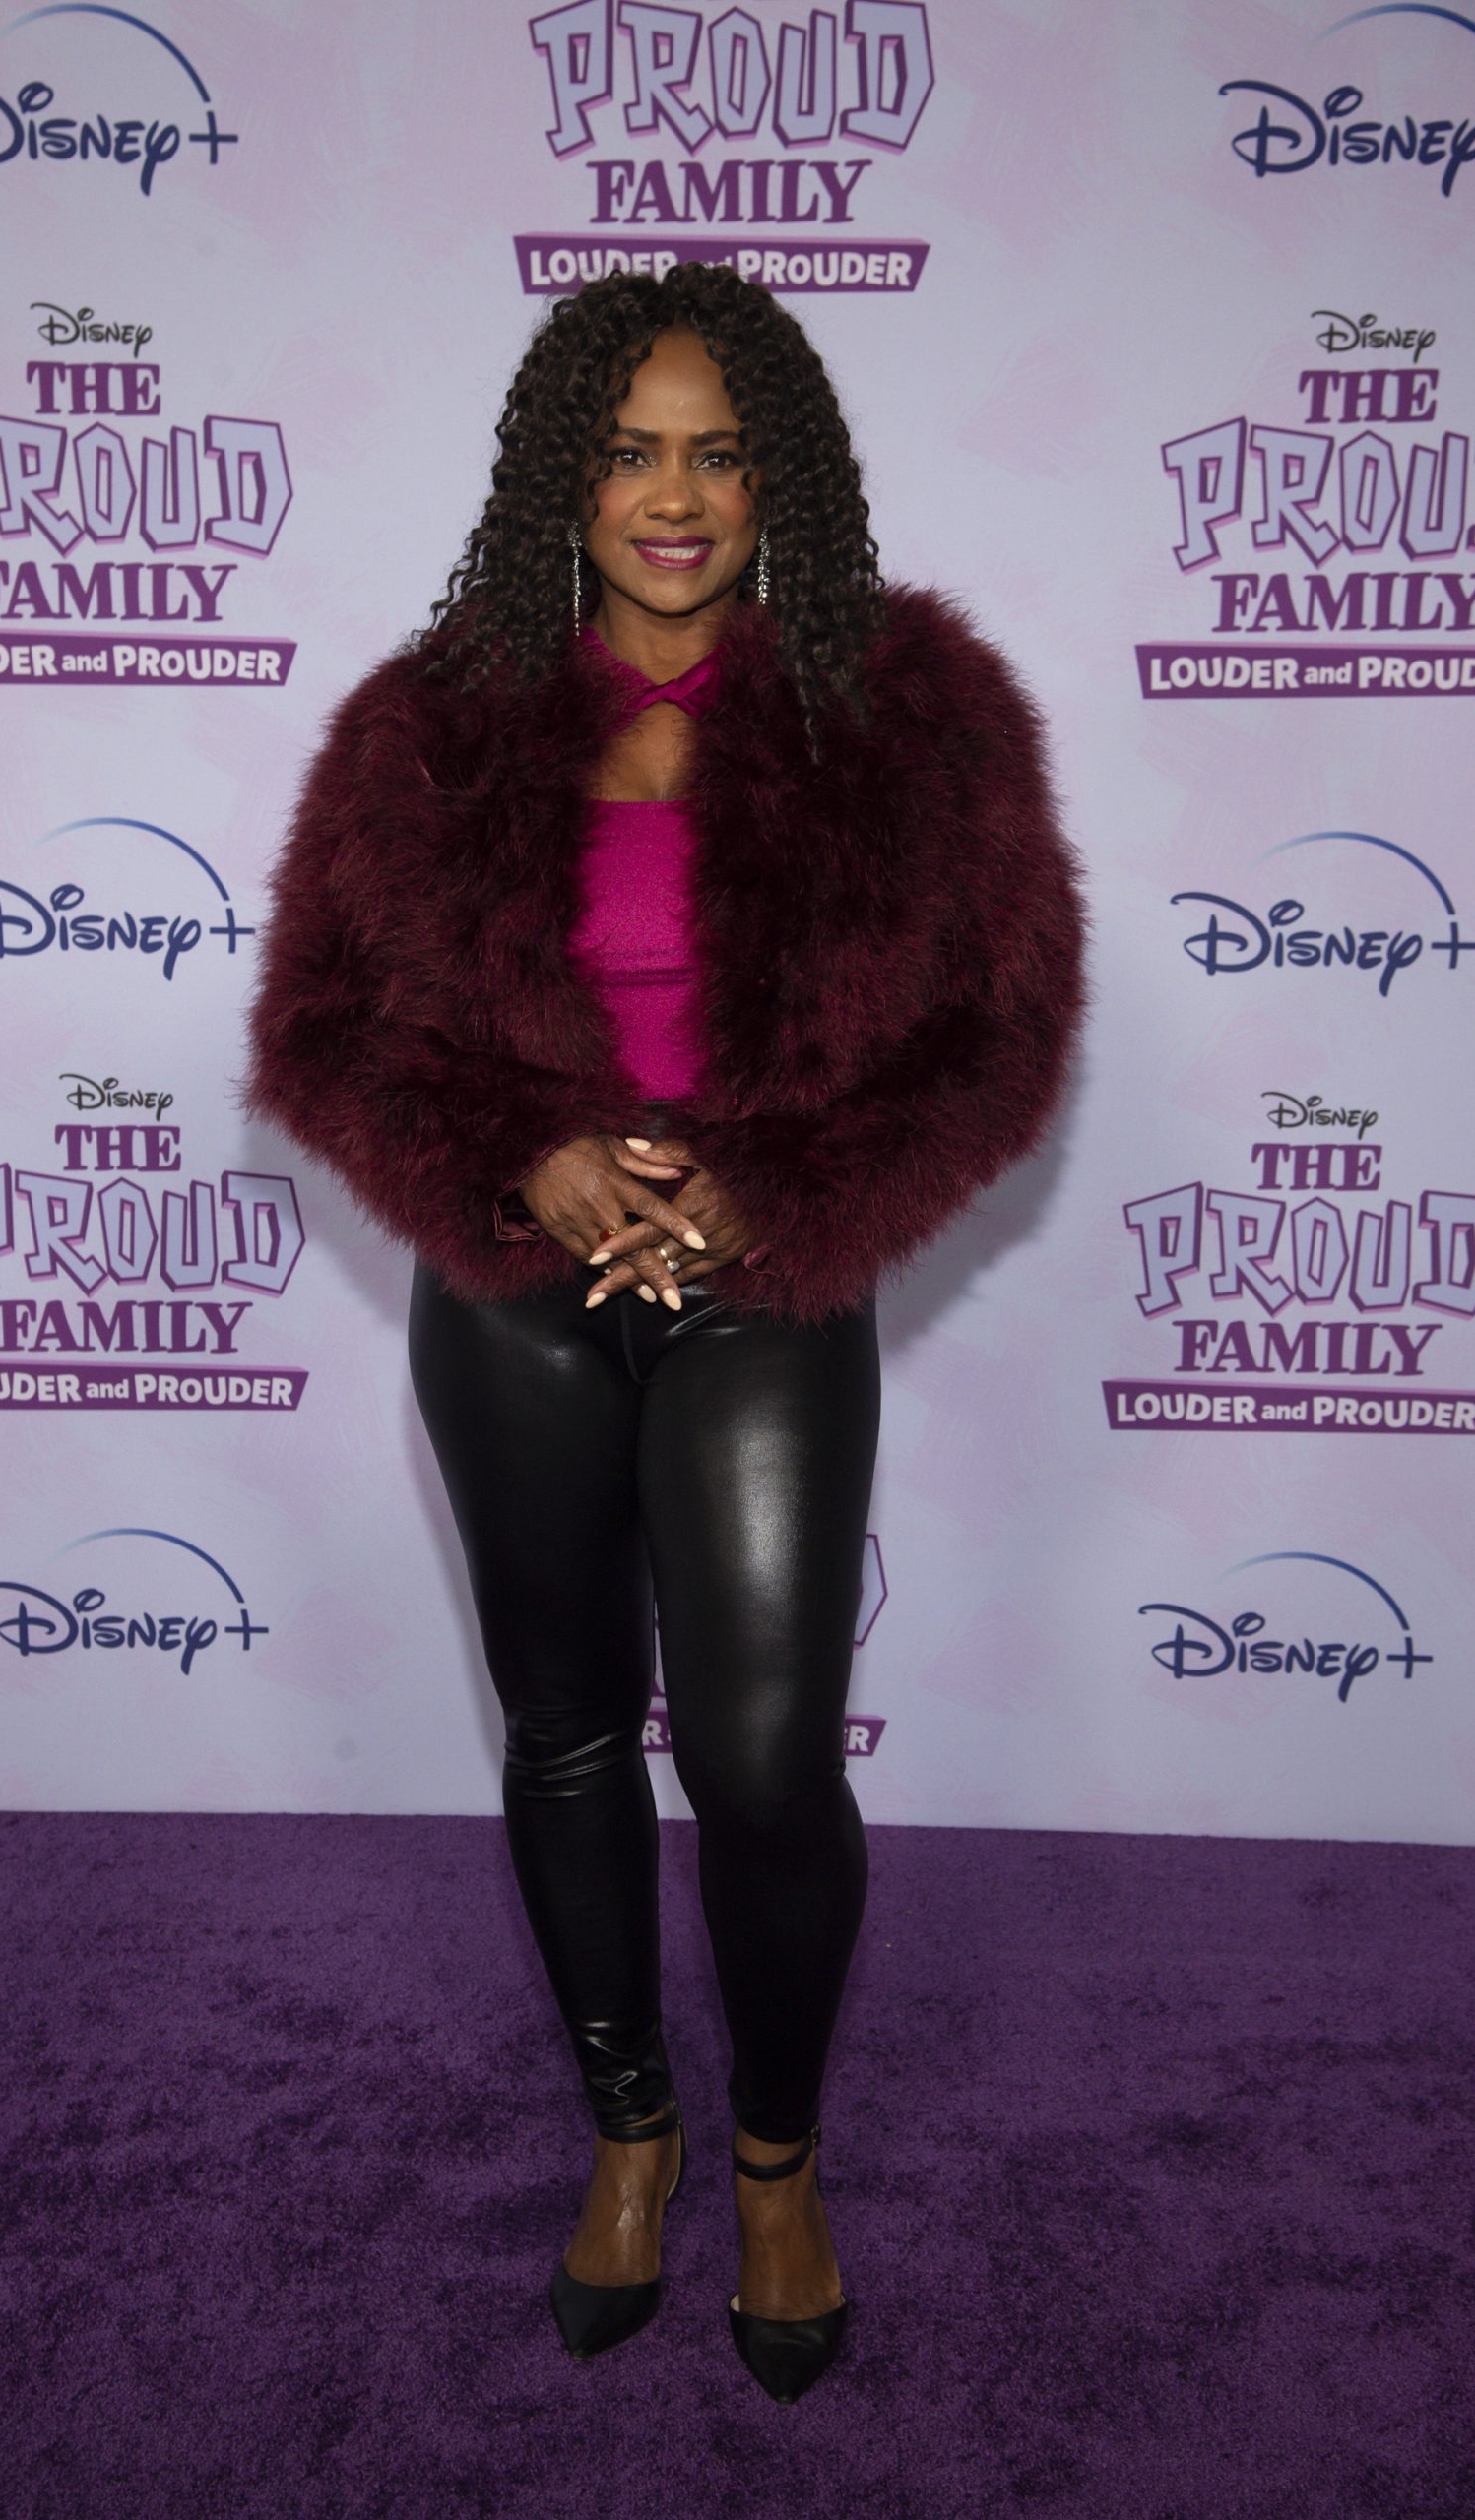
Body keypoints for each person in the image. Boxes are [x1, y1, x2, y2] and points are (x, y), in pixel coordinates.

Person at [240, 264, 1088, 2403]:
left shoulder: (913, 715)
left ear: (781, 476)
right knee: (562, 1729)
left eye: (720, 452)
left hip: (765, 1288)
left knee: (767, 1754)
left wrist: (769, 1181)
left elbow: (1004, 1036)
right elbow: (320, 1026)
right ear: (565, 476)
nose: (678, 495)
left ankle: (778, 2162)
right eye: (631, 451)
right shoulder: (428, 725)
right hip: (513, 1294)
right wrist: (520, 1155)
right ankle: (633, 2132)